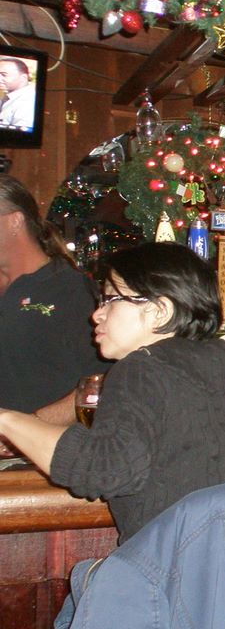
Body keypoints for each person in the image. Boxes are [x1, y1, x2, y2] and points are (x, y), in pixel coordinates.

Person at [0, 242, 225, 543]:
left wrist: (8, 420)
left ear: (159, 311)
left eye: (110, 300)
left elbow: (104, 470)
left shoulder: (142, 367)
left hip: (174, 563)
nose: (96, 315)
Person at [0, 174, 110, 436]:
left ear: (14, 221)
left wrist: (26, 429)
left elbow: (103, 381)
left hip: (40, 452)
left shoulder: (70, 290)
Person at [0, 58, 36, 131]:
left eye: (4, 75)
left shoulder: (28, 101)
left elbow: (21, 135)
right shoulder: (10, 95)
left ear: (23, 78)